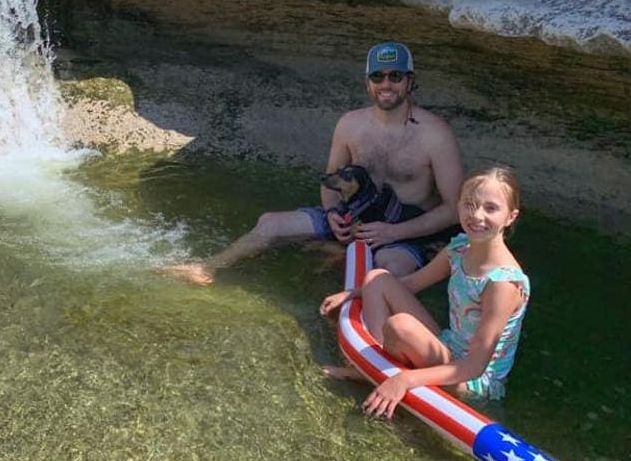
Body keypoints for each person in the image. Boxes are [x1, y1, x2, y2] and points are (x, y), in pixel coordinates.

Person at [163, 42, 464, 285]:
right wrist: (333, 212)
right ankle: (207, 268)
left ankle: (371, 331)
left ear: (410, 82)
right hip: (352, 219)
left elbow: (453, 209)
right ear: (367, 83)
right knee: (270, 224)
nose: (386, 84)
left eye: (395, 76)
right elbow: (330, 180)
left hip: (403, 229)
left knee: (389, 268)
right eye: (378, 76)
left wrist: (394, 233)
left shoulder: (434, 134)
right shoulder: (350, 124)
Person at [319, 167, 530, 416]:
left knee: (401, 327)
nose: (477, 215)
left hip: (471, 381)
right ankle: (374, 366)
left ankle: (376, 373)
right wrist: (355, 292)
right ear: (458, 206)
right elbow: (410, 284)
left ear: (510, 217)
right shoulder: (461, 248)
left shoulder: (502, 284)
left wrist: (405, 380)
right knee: (377, 278)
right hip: (447, 348)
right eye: (469, 205)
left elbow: (474, 366)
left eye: (490, 208)